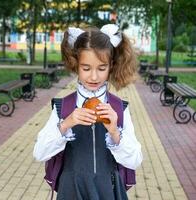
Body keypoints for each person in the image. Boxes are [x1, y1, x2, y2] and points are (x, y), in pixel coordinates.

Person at [33, 24, 143, 200]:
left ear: (111, 66)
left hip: (109, 190)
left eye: (101, 68)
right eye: (86, 68)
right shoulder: (63, 106)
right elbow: (39, 153)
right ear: (76, 65)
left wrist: (115, 132)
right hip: (71, 190)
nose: (93, 77)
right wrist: (66, 124)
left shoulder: (119, 108)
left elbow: (135, 160)